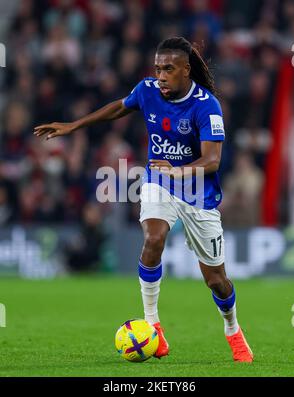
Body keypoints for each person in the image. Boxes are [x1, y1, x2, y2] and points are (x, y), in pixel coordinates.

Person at [34, 36, 253, 362]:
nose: (161, 75)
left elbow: (212, 161)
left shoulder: (206, 105)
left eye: (168, 69)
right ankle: (154, 325)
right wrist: (74, 125)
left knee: (217, 281)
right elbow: (119, 108)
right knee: (153, 238)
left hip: (197, 193)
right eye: (157, 68)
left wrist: (178, 171)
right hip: (158, 181)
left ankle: (233, 329)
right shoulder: (147, 90)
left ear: (185, 70)